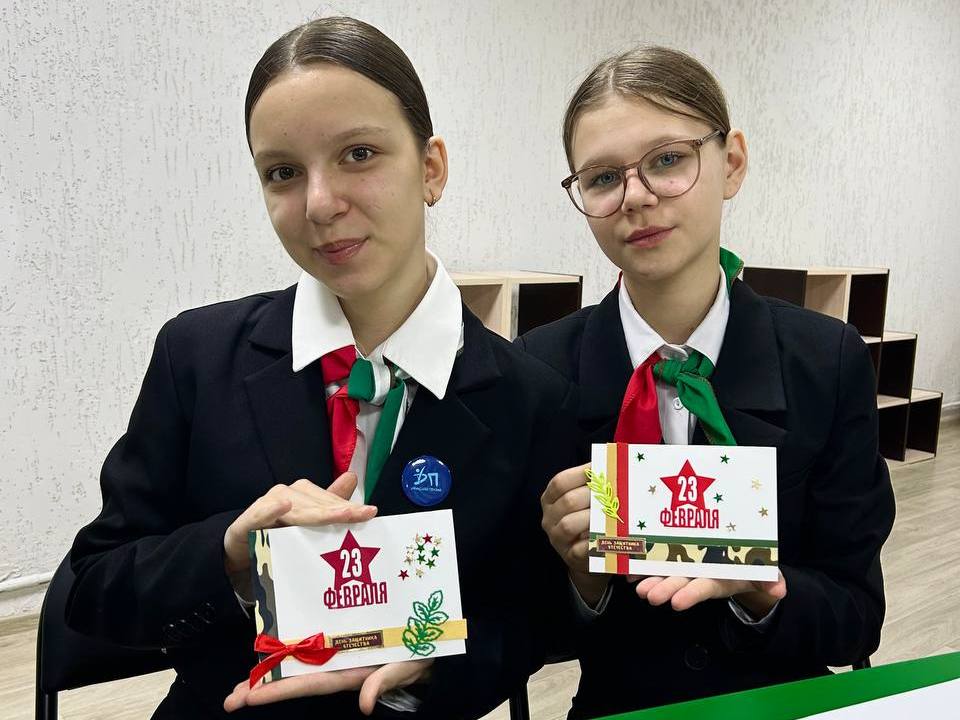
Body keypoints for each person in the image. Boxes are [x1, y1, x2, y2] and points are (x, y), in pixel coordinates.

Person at [66, 16, 577, 720]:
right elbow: (94, 586)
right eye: (282, 172)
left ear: (431, 168)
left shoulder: (530, 396)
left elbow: (532, 614)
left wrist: (437, 663)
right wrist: (228, 552)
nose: (319, 204)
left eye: (358, 154)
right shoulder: (198, 356)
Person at [518, 46, 896, 718]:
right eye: (603, 177)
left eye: (668, 160)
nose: (637, 196)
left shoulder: (826, 361)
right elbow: (527, 630)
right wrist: (581, 578)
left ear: (733, 163)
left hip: (780, 701)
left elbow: (857, 617)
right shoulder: (541, 369)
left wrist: (764, 592)